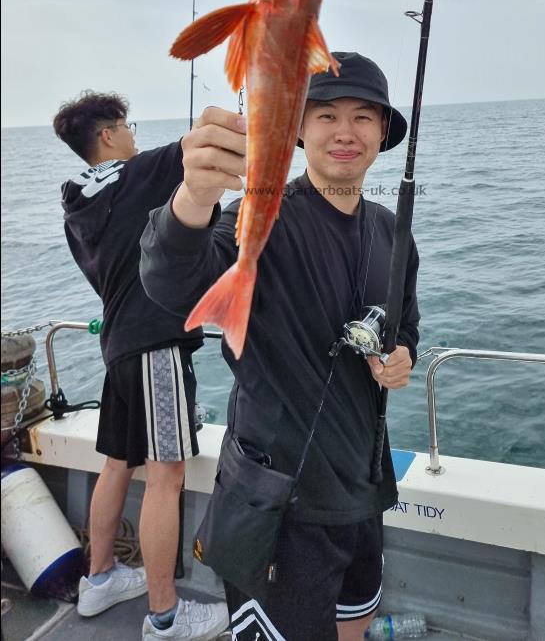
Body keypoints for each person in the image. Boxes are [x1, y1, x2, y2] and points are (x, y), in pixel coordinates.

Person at [140, 52, 420, 641]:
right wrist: (192, 199)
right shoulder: (259, 220)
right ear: (297, 129)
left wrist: (401, 358)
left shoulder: (393, 232)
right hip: (279, 504)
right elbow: (174, 279)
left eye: (364, 117)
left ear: (384, 133)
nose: (345, 132)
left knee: (356, 620)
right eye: (326, 115)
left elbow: (405, 323)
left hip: (363, 489)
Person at [52, 91, 230, 641]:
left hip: (118, 351)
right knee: (166, 475)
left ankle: (99, 578)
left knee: (117, 464)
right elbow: (208, 140)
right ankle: (165, 616)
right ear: (107, 136)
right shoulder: (139, 173)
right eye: (126, 127)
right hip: (156, 343)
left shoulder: (77, 205)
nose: (133, 136)